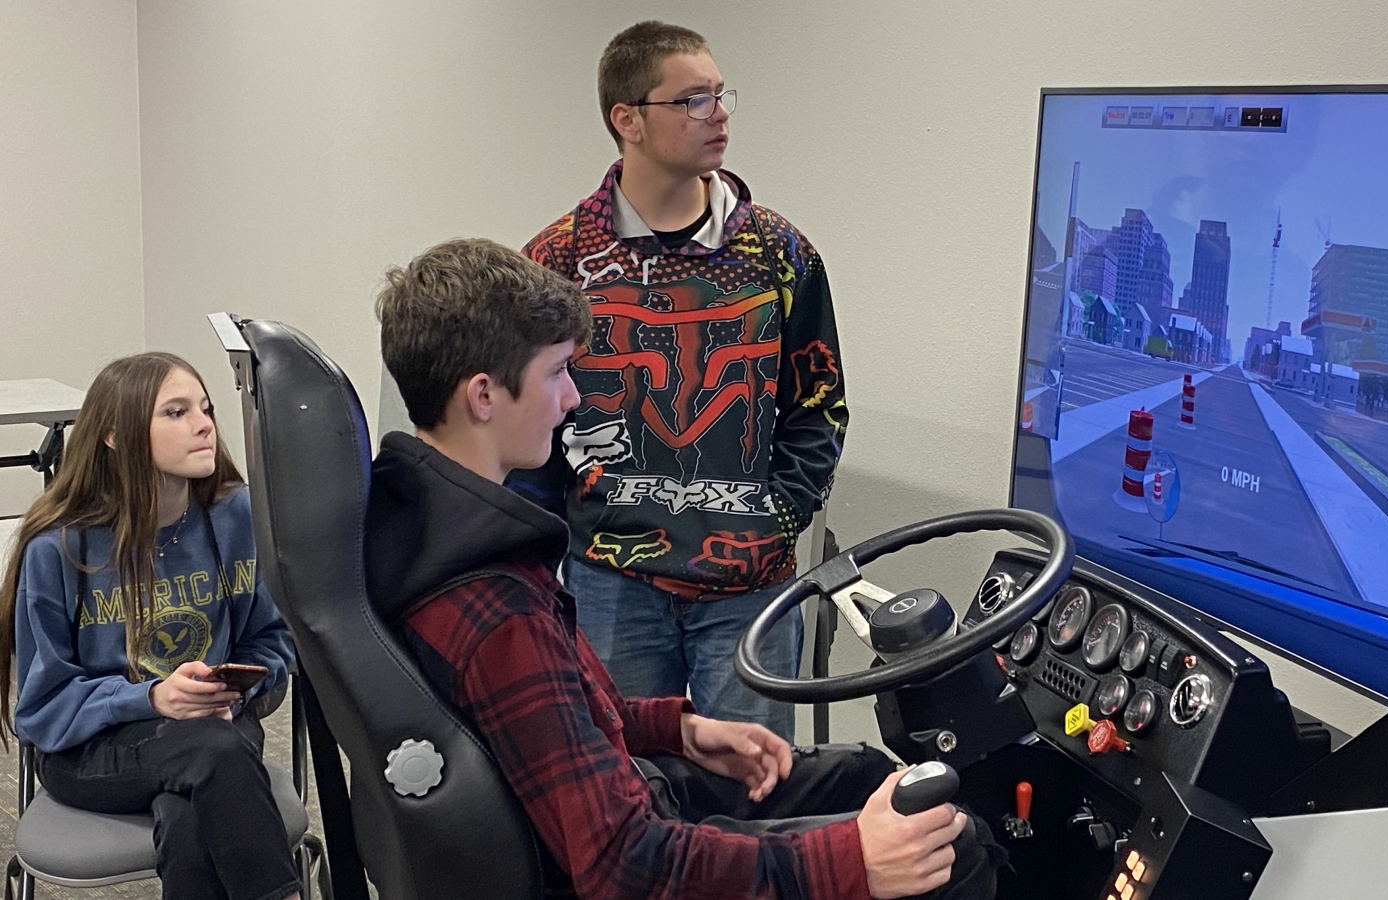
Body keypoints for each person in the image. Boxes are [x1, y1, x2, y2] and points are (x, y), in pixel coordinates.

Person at [367, 238, 999, 899]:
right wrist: (847, 862)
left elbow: (557, 723)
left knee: (872, 773)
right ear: (484, 396)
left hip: (634, 796)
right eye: (556, 373)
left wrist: (678, 727)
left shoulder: (433, 530)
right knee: (953, 848)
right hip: (630, 860)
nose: (573, 399)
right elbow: (622, 864)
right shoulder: (498, 611)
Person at [510, 21, 847, 740]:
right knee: (624, 788)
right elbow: (521, 423)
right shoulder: (556, 260)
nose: (718, 113)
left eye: (720, 95)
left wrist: (777, 517)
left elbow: (819, 406)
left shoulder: (780, 255)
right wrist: (552, 547)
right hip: (610, 579)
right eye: (692, 100)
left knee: (755, 795)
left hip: (749, 585)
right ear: (626, 120)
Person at [0, 352, 301, 900]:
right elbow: (42, 710)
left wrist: (235, 683)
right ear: (116, 436)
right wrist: (153, 699)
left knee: (188, 823)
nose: (204, 423)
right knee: (211, 751)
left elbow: (274, 641)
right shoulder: (57, 547)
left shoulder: (239, 516)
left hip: (219, 726)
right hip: (91, 750)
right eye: (176, 412)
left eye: (205, 408)